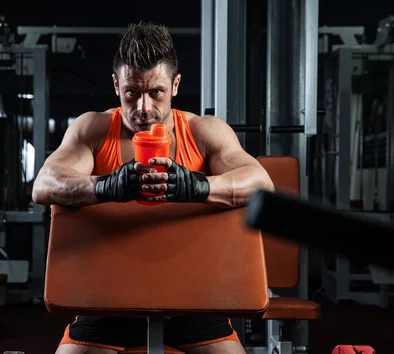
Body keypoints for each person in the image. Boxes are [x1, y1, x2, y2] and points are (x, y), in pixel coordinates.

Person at [32, 22, 275, 354]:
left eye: (155, 92)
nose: (143, 108)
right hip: (107, 302)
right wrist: (106, 186)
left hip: (193, 303)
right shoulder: (93, 128)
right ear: (117, 84)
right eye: (132, 92)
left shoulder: (203, 132)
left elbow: (262, 183)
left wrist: (197, 185)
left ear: (175, 85)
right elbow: (44, 184)